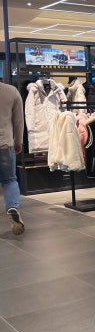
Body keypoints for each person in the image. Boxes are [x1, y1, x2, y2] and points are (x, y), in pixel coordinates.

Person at [0, 82, 26, 235]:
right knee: (9, 180)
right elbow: (18, 121)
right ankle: (12, 207)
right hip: (5, 143)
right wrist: (18, 141)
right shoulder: (11, 91)